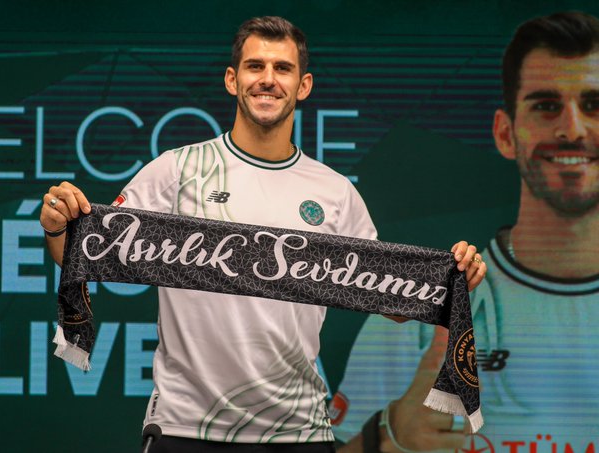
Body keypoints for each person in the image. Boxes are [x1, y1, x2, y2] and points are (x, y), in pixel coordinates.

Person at [40, 16, 486, 452]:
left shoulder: (334, 192)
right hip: (186, 426)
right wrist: (58, 229)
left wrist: (450, 281)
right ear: (232, 80)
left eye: (282, 68)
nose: (268, 79)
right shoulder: (177, 170)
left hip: (299, 432)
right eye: (256, 67)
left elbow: (390, 301)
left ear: (303, 85)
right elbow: (91, 256)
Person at [333, 11, 599, 453]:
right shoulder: (418, 303)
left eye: (594, 105)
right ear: (505, 133)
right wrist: (389, 436)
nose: (571, 129)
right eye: (546, 105)